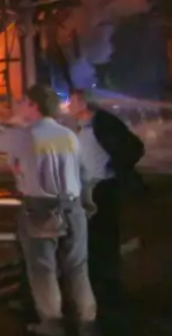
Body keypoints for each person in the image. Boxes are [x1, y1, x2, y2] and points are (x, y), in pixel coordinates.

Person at [0, 85, 96, 336]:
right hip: (73, 208)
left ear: (33, 105)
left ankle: (52, 325)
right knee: (77, 267)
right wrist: (87, 203)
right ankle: (88, 323)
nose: (19, 106)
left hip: (41, 210)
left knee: (43, 269)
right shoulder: (69, 135)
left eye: (23, 102)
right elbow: (84, 173)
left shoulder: (25, 136)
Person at [68, 90, 145, 314]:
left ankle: (107, 291)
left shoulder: (103, 123)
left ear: (83, 103)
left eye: (71, 101)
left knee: (102, 239)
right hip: (90, 190)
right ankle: (101, 288)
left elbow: (134, 147)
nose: (68, 106)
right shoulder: (85, 127)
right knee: (94, 240)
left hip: (102, 190)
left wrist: (115, 168)